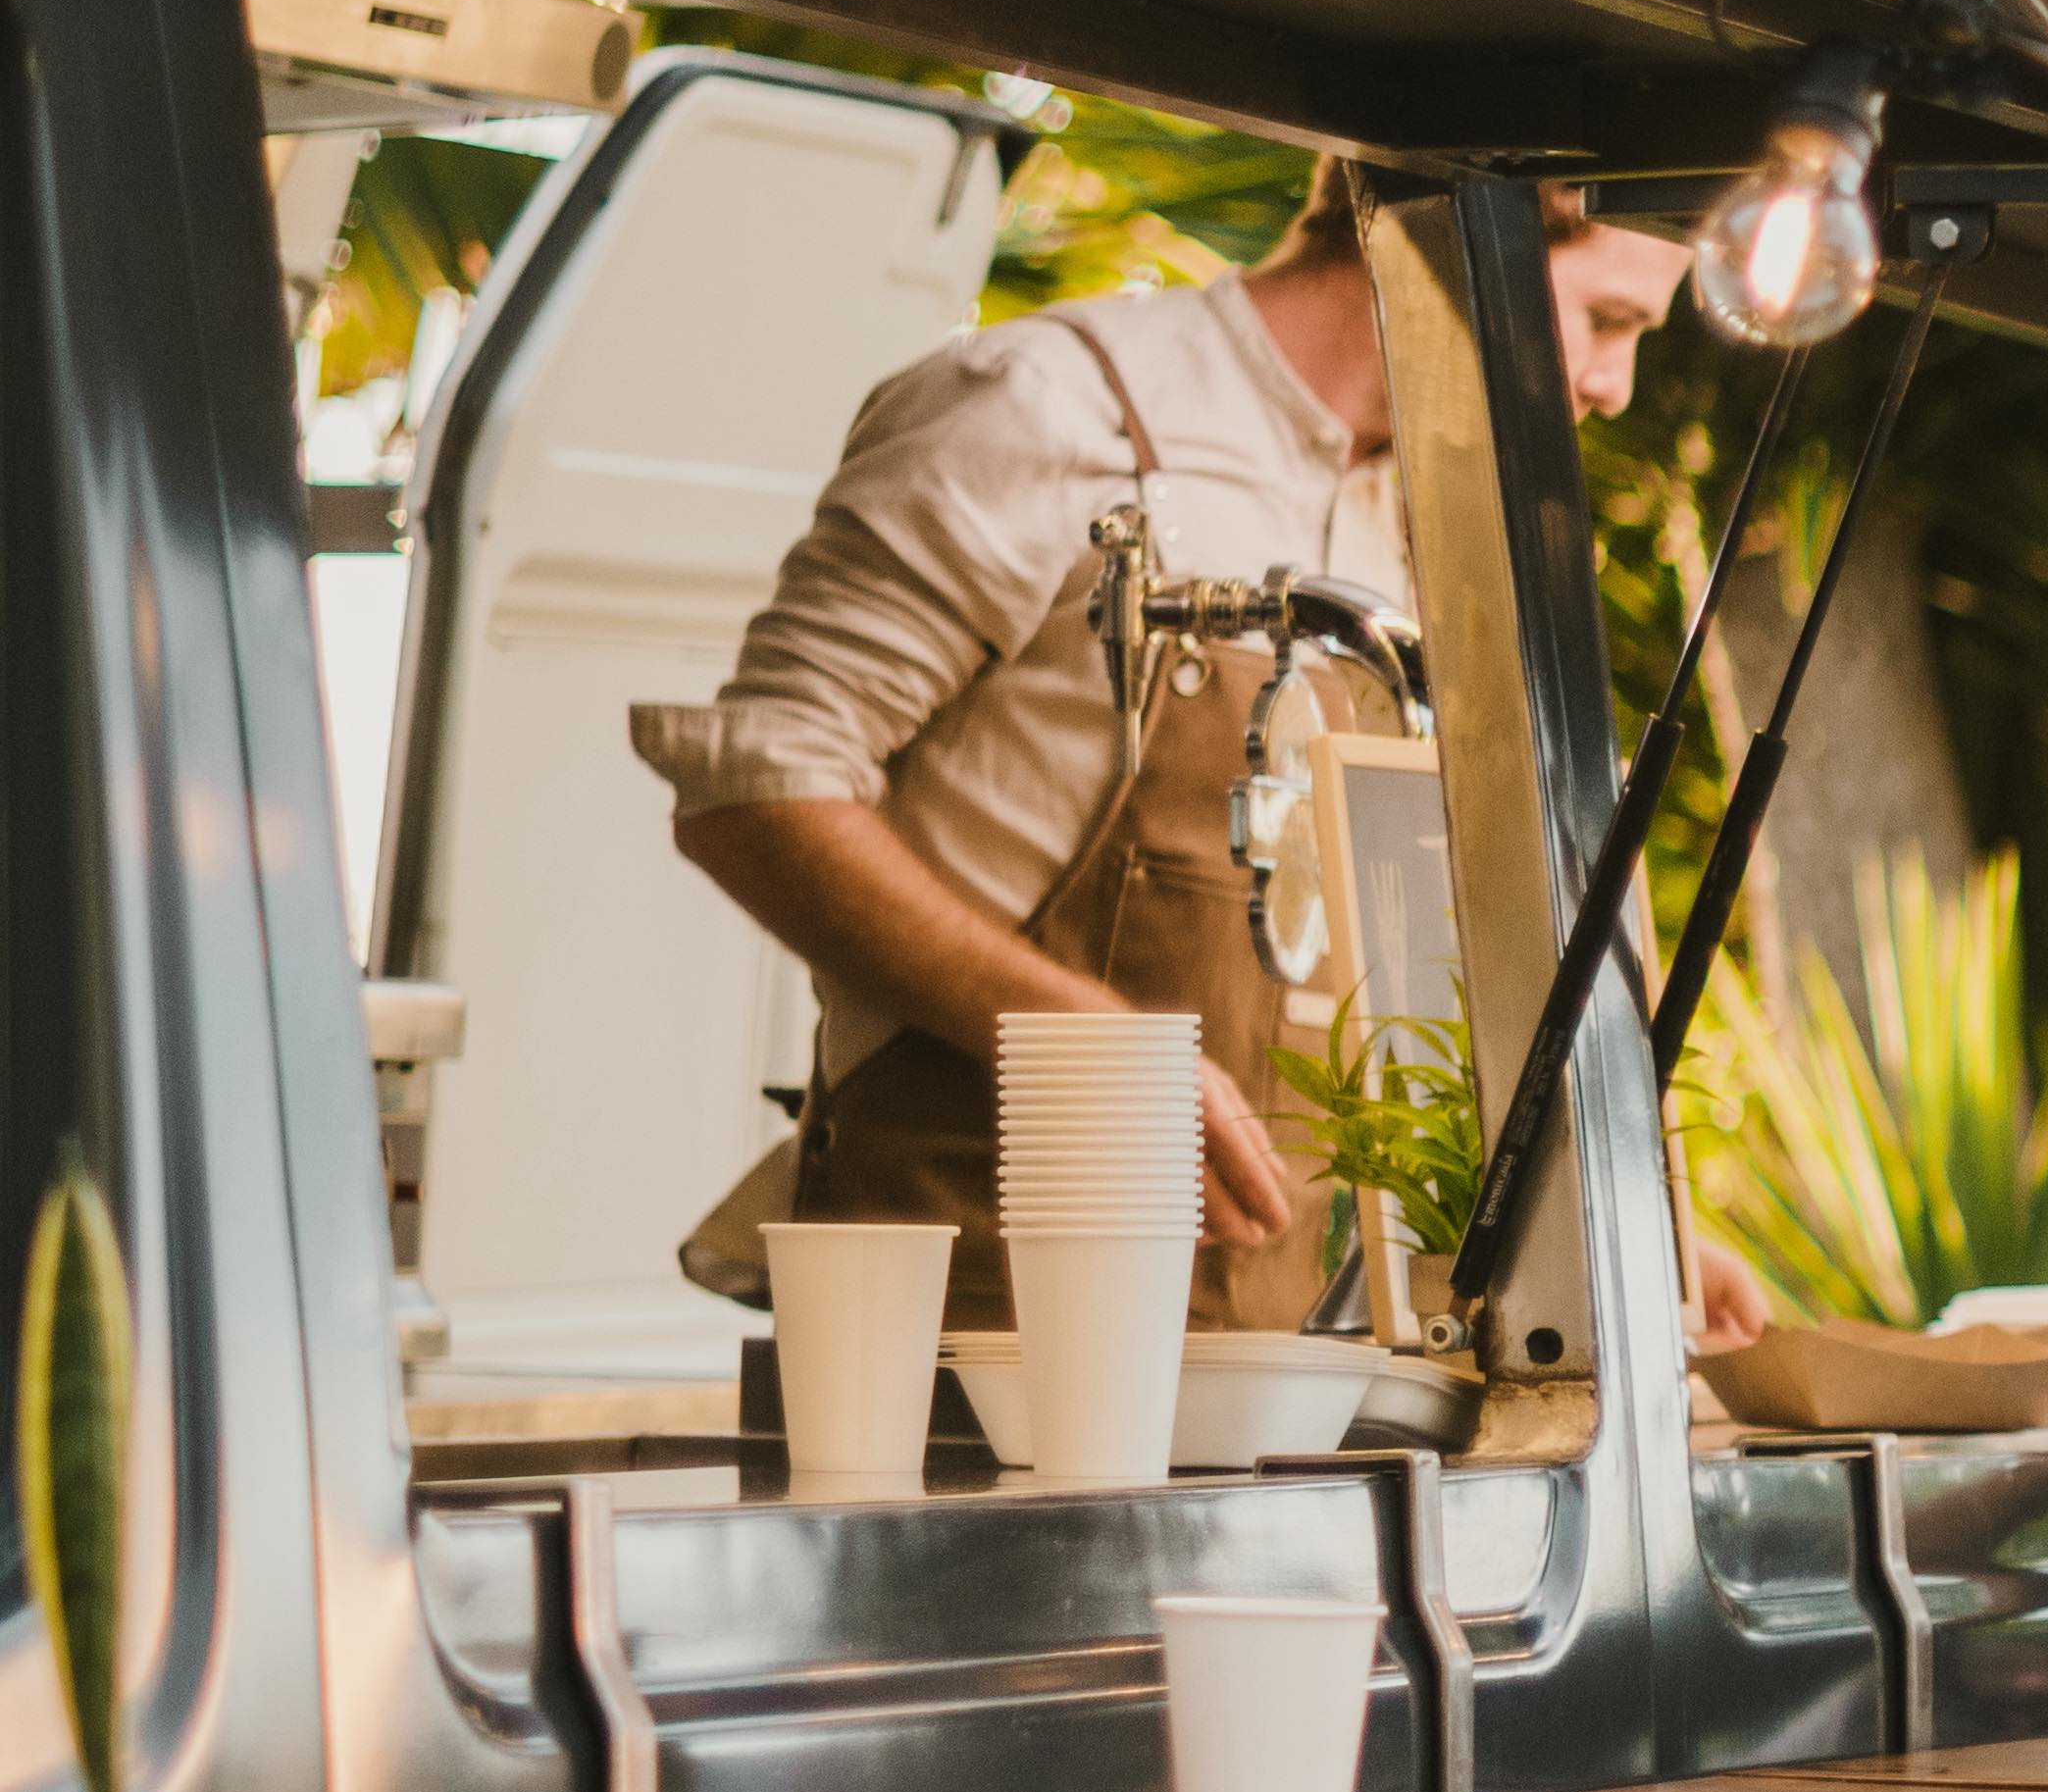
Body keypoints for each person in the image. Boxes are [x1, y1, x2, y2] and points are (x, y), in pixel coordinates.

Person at [637, 162, 1766, 1348]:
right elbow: (756, 783)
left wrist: (1620, 1227)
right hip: (969, 1328)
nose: (1613, 386)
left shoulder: (1423, 524)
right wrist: (1084, 1043)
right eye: (1606, 321)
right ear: (1457, 241)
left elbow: (1419, 956)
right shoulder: (1046, 407)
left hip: (1293, 1358)